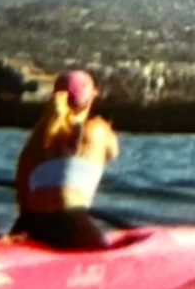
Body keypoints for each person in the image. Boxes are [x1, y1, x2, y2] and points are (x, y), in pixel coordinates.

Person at [12, 69, 119, 250]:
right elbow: (113, 153)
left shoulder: (36, 140)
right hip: (71, 220)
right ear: (94, 93)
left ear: (54, 95)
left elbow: (22, 191)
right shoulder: (99, 130)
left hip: (28, 222)